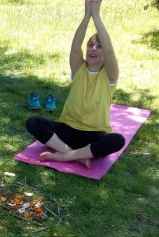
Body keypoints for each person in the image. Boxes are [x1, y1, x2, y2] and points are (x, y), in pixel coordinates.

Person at [26, 0, 125, 168]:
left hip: (93, 135)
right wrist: (87, 15)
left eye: (99, 46)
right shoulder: (79, 68)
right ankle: (75, 155)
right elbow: (75, 47)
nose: (93, 48)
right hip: (67, 130)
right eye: (91, 45)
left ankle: (65, 156)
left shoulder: (110, 75)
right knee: (33, 122)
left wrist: (96, 16)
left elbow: (110, 52)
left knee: (117, 140)